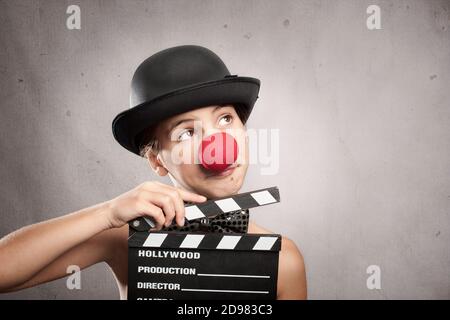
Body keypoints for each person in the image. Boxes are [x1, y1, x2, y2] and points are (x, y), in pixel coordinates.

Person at [0, 45, 307, 299]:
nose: (217, 144)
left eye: (225, 119)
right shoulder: (129, 236)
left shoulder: (283, 259)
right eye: (187, 133)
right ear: (158, 161)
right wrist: (107, 213)